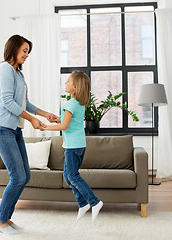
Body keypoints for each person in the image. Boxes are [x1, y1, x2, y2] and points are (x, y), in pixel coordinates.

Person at [0, 34, 58, 235]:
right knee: (18, 176)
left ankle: (6, 218)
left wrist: (45, 114)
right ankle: (0, 221)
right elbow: (7, 102)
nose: (27, 55)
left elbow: (24, 103)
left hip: (14, 130)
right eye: (24, 50)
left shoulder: (18, 74)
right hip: (2, 129)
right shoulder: (4, 69)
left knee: (25, 175)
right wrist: (31, 120)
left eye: (28, 52)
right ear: (13, 48)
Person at [43, 71, 103, 222]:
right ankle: (82, 204)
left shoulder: (70, 104)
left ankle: (95, 202)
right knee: (69, 176)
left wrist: (45, 127)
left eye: (68, 81)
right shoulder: (78, 104)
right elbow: (69, 121)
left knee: (72, 176)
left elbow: (64, 125)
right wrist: (57, 118)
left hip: (73, 147)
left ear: (75, 87)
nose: (65, 83)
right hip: (79, 145)